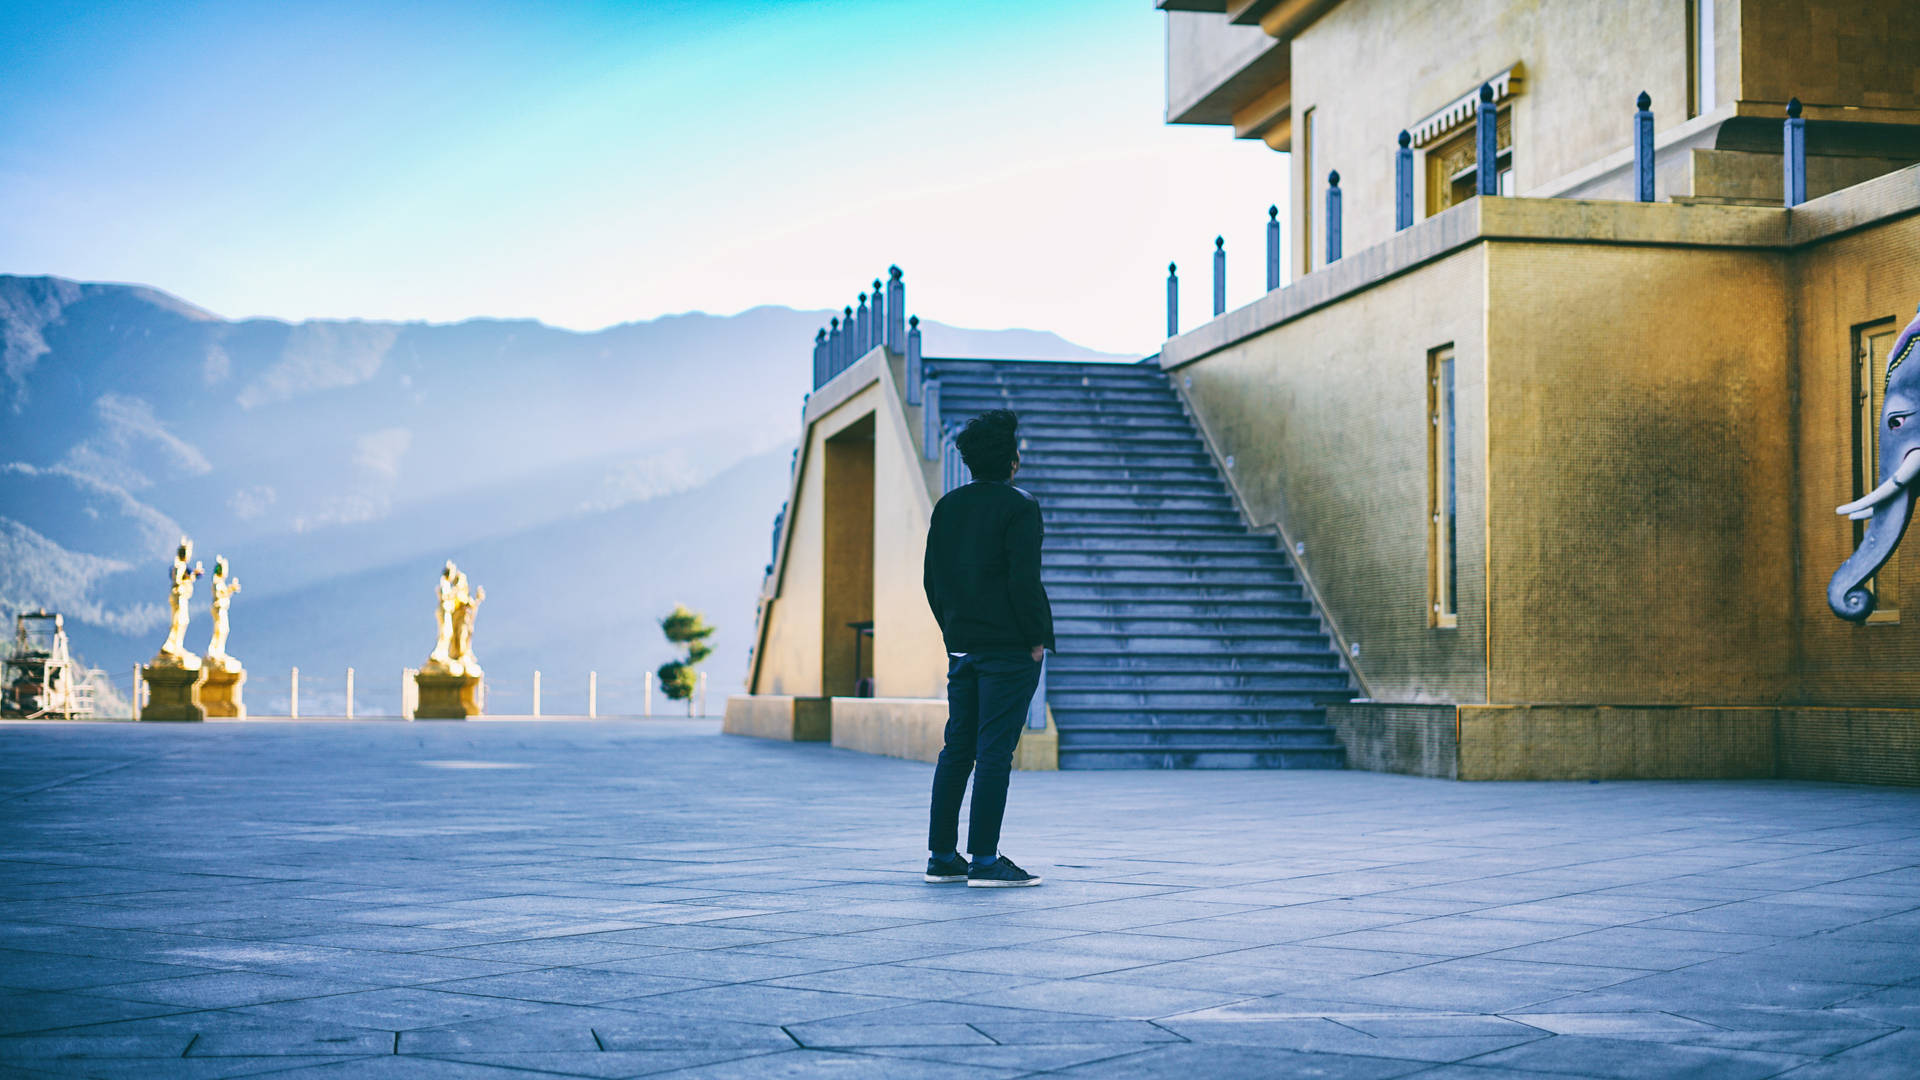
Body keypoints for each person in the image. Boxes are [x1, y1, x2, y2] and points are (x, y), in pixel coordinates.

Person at [921, 409, 1054, 888]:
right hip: (1009, 649)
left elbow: (932, 581)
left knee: (957, 748)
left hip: (964, 646)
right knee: (994, 752)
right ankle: (984, 860)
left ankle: (942, 856)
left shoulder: (948, 506)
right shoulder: (1020, 507)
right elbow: (1024, 581)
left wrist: (952, 631)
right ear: (1012, 461)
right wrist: (1037, 638)